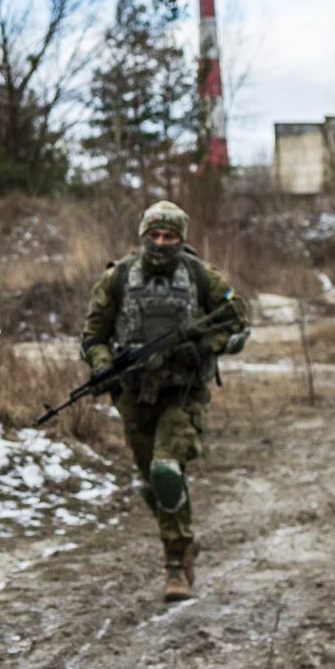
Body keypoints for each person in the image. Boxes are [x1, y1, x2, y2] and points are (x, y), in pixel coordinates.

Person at [79, 200, 251, 603]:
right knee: (152, 487)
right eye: (154, 235)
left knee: (166, 472)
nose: (160, 242)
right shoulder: (118, 277)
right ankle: (185, 540)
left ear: (181, 239)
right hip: (134, 396)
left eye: (169, 236)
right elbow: (92, 337)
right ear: (143, 236)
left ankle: (176, 567)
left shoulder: (200, 275)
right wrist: (106, 367)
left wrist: (205, 346)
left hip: (184, 393)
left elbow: (238, 320)